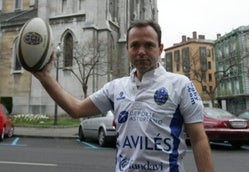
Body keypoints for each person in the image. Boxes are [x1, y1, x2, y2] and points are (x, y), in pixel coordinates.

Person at [33, 20, 214, 172]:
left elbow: (198, 140)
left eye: (149, 45)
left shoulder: (181, 85)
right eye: (135, 45)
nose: (141, 51)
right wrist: (45, 77)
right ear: (127, 49)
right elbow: (76, 109)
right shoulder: (115, 87)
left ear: (160, 49)